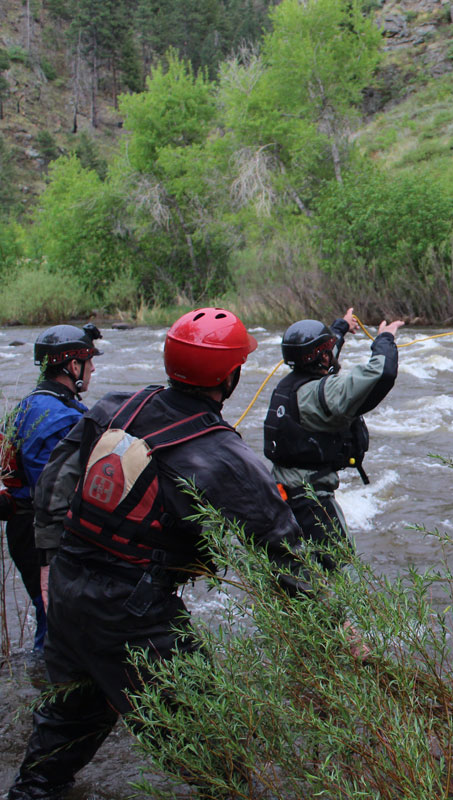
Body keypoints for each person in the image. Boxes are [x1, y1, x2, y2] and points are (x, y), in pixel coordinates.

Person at [6, 307, 313, 800]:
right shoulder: (223, 457)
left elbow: (53, 490)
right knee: (215, 752)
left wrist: (50, 566)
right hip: (134, 611)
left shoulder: (112, 406)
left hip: (69, 589)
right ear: (231, 376)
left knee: (66, 726)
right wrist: (334, 629)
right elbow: (285, 551)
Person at [264, 308, 401, 567]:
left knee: (298, 573)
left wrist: (340, 327)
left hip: (284, 495)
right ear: (320, 356)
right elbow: (381, 372)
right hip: (312, 501)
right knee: (338, 576)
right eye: (326, 349)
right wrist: (385, 338)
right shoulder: (325, 394)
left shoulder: (292, 385)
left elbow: (325, 357)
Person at [1, 323, 102, 654]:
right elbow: (60, 496)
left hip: (19, 530)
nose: (93, 369)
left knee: (49, 613)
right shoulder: (64, 418)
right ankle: (52, 693)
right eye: (89, 362)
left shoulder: (23, 407)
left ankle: (45, 686)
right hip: (45, 537)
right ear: (74, 366)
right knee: (58, 622)